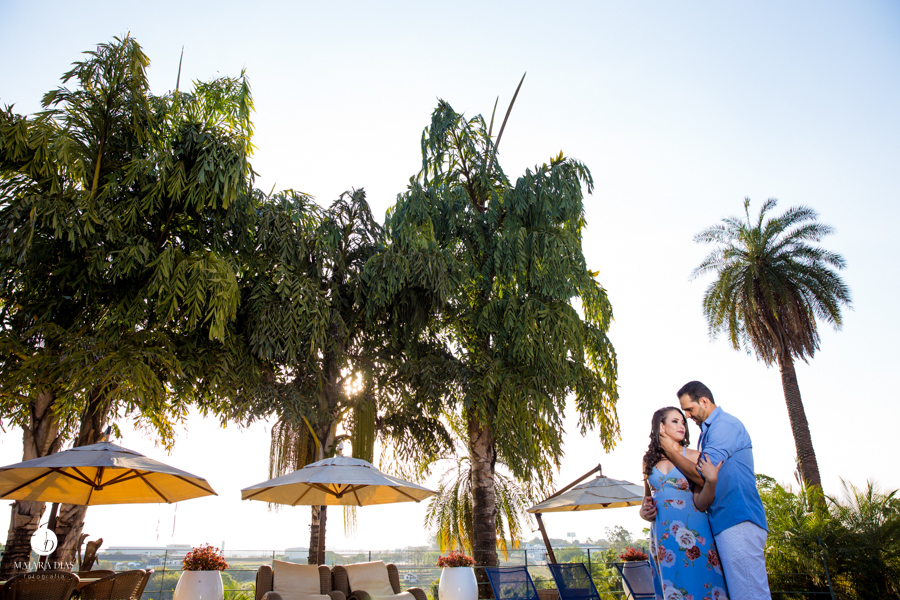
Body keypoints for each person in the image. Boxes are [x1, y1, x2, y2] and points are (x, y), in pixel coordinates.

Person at [650, 381, 771, 600]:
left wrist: (670, 450)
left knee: (750, 594)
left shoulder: (724, 426)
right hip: (723, 521)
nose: (687, 416)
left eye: (689, 409)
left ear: (704, 401)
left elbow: (703, 475)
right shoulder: (707, 433)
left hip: (738, 518)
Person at [641, 406, 729, 600]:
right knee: (672, 586)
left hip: (693, 531)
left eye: (683, 422)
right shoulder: (647, 460)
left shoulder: (695, 456)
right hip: (662, 535)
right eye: (675, 421)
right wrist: (643, 512)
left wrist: (712, 482)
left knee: (701, 582)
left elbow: (702, 503)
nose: (682, 425)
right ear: (660, 427)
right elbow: (647, 498)